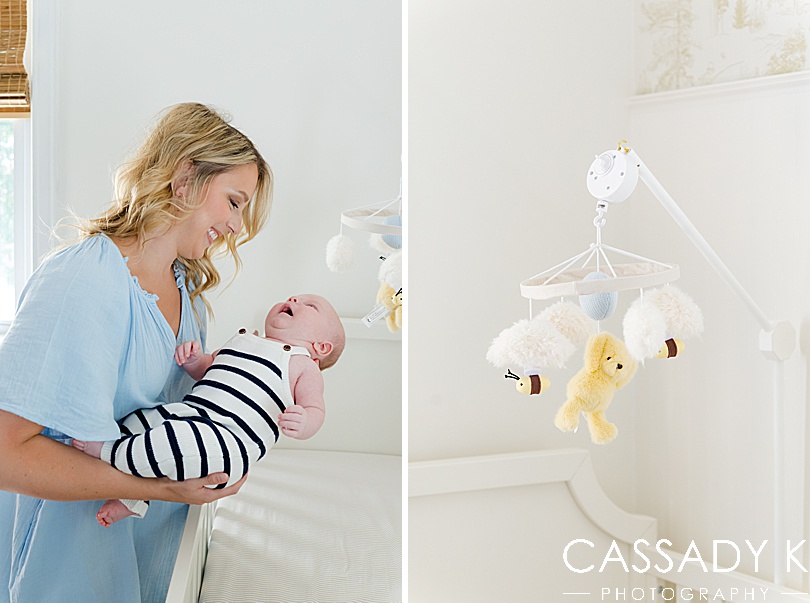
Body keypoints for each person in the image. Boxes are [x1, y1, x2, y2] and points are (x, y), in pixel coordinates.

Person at [0, 102, 273, 603]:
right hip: (68, 563)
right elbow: (6, 453)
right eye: (233, 202)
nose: (237, 226)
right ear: (186, 175)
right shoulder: (85, 278)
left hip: (145, 552)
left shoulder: (187, 293)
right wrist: (164, 489)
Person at [74, 293, 346, 527]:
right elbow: (207, 368)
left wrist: (306, 421)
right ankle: (132, 497)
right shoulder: (242, 340)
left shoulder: (303, 365)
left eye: (310, 306)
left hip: (229, 442)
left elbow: (315, 409)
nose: (293, 299)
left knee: (176, 443)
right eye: (292, 296)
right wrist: (194, 360)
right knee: (144, 421)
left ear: (321, 347)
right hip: (190, 413)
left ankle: (108, 452)